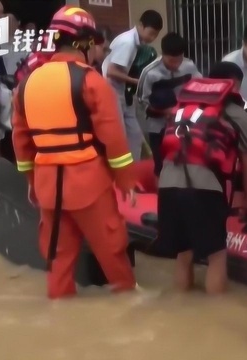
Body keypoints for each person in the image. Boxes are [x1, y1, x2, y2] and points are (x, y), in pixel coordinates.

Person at [12, 6, 137, 299]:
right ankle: (131, 304)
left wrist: (32, 182)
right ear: (88, 42)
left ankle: (60, 311)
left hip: (47, 187)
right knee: (112, 253)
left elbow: (21, 144)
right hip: (88, 184)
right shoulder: (92, 82)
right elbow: (114, 141)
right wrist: (126, 181)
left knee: (58, 259)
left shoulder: (26, 84)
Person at [157, 61, 247, 294]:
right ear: (233, 85)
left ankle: (182, 308)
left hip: (167, 187)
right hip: (203, 189)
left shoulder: (179, 109)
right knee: (216, 256)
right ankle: (215, 318)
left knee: (183, 255)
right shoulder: (239, 116)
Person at [137, 32, 202, 177]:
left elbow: (200, 86)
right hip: (156, 125)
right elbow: (142, 102)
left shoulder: (189, 66)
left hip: (183, 123)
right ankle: (160, 195)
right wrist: (165, 111)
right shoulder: (149, 73)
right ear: (162, 54)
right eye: (171, 61)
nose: (175, 65)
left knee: (184, 162)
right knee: (160, 165)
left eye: (178, 61)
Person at [103, 10, 163, 161]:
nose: (152, 37)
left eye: (155, 34)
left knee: (135, 135)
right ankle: (120, 175)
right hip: (111, 92)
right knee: (121, 136)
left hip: (122, 91)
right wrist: (139, 81)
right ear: (141, 25)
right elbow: (111, 72)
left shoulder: (135, 44)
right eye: (151, 33)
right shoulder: (128, 42)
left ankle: (133, 170)